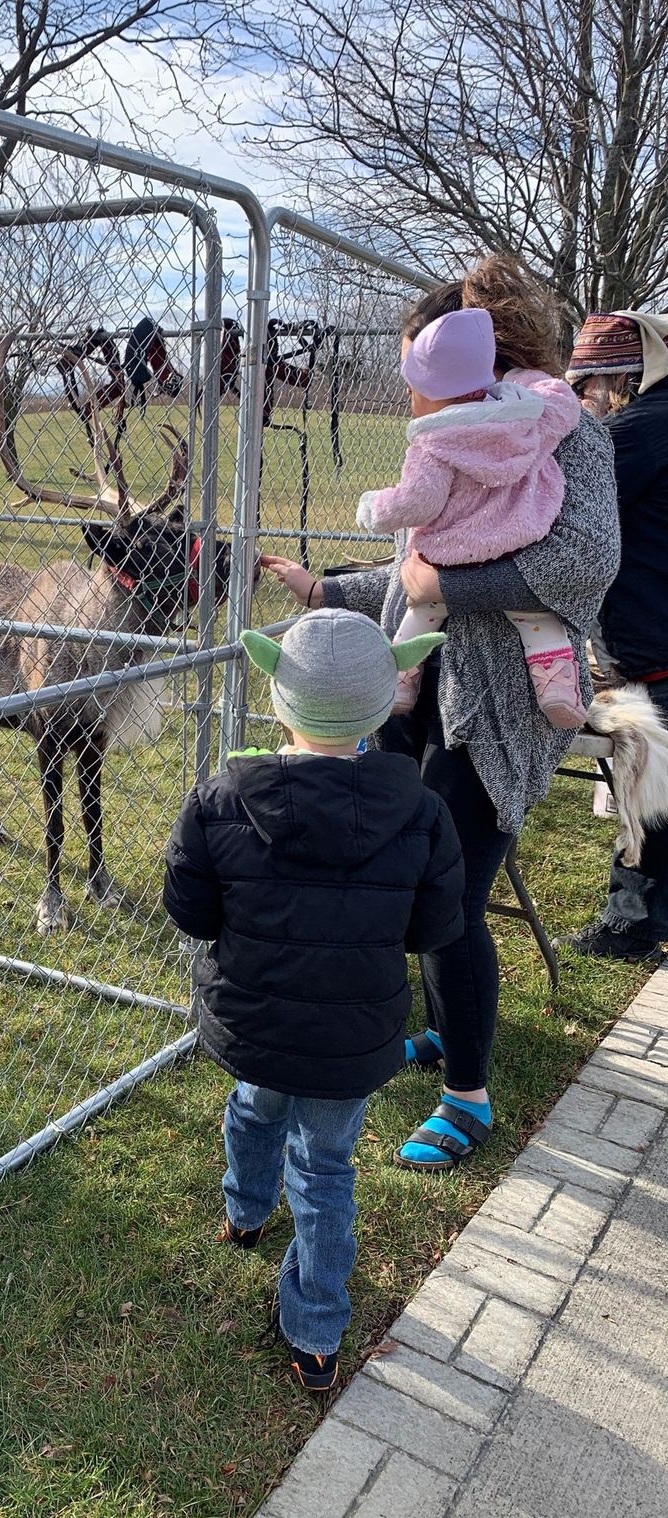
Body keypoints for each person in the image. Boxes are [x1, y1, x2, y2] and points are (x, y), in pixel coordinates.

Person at [263, 257, 621, 1170]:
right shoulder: (461, 434)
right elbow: (421, 561)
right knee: (410, 873)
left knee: (453, 896)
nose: (410, 390)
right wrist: (328, 584)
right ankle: (437, 1029)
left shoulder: (566, 433)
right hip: (412, 688)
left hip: (499, 705)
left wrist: (446, 586)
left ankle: (468, 1096)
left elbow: (584, 562)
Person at [163, 611, 464, 1391]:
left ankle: (245, 1211)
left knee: (256, 1106)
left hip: (258, 1020)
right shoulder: (424, 814)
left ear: (278, 697)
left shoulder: (219, 802)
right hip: (352, 1034)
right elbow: (433, 927)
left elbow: (192, 913)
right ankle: (317, 1333)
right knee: (327, 1169)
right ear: (381, 703)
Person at [359, 307, 584, 727]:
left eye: (412, 389)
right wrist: (524, 379)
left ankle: (400, 681)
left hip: (451, 553)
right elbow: (563, 405)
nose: (410, 399)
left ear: (431, 389)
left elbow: (418, 503)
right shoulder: (522, 416)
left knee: (421, 612)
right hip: (517, 539)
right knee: (537, 620)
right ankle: (557, 688)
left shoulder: (435, 441)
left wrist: (375, 509)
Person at [559, 311, 668, 961]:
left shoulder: (639, 431)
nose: (584, 399)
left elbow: (558, 501)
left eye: (591, 383)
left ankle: (632, 924)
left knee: (650, 789)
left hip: (655, 646)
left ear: (628, 374)